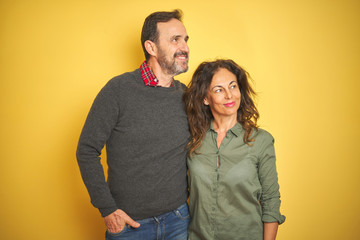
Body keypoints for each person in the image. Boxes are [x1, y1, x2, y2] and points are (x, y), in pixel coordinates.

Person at [76, 10, 190, 240]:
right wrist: (107, 210)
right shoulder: (118, 90)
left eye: (185, 40)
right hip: (130, 227)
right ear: (151, 47)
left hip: (179, 221)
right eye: (175, 39)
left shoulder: (186, 96)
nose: (185, 47)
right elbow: (87, 150)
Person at [183, 59, 285, 240]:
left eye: (233, 86)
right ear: (205, 98)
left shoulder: (261, 141)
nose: (229, 96)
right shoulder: (193, 140)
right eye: (218, 90)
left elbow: (270, 202)